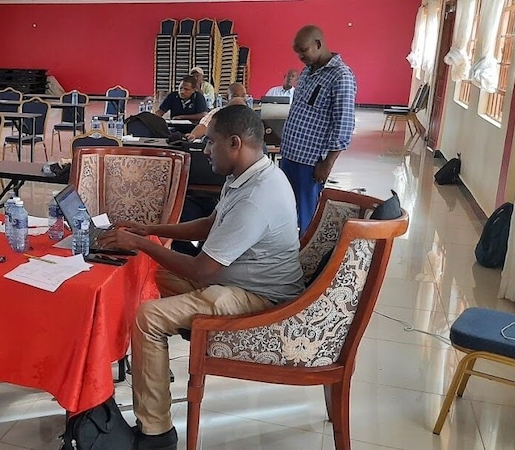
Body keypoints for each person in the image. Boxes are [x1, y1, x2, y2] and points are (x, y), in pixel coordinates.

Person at [97, 105, 304, 450]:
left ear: (235, 143)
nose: (204, 150)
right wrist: (150, 230)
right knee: (153, 273)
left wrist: (139, 243)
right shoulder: (249, 175)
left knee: (148, 317)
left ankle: (156, 432)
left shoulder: (256, 197)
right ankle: (149, 357)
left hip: (258, 298)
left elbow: (200, 270)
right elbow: (210, 224)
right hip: (236, 281)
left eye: (210, 142)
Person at [281, 25, 357, 234]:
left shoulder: (341, 76)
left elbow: (344, 124)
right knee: (285, 210)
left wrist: (327, 163)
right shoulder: (308, 70)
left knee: (307, 217)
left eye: (303, 50)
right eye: (297, 52)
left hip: (310, 162)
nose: (300, 57)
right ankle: (286, 248)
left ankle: (305, 252)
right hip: (289, 155)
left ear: (318, 44)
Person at [183, 83, 248, 141]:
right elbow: (204, 125)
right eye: (235, 96)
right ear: (227, 97)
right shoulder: (217, 112)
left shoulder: (250, 114)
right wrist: (193, 135)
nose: (240, 99)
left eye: (243, 96)